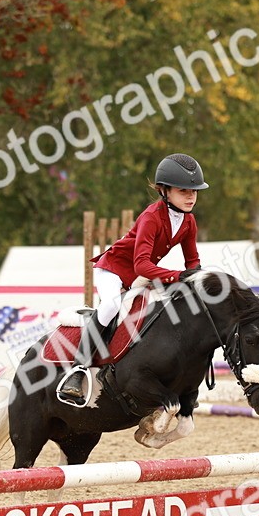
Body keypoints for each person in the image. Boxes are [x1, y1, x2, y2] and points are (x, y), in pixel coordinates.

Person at [57, 153, 208, 405]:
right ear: (164, 191)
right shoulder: (151, 217)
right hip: (114, 270)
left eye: (194, 191)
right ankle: (77, 370)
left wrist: (199, 282)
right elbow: (141, 264)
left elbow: (192, 261)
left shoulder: (188, 222)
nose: (191, 196)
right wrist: (179, 276)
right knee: (111, 305)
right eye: (184, 191)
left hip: (140, 276)